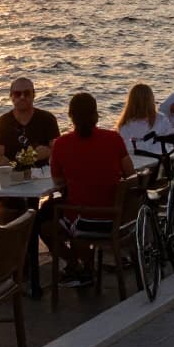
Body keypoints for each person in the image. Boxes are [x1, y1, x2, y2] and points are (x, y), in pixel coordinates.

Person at [43, 93, 135, 287]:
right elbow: (130, 173)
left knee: (42, 221)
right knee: (74, 207)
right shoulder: (114, 139)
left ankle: (75, 263)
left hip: (82, 221)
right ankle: (84, 265)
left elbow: (58, 182)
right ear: (96, 114)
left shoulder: (61, 144)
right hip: (114, 219)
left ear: (71, 116)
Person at [0, 77, 62, 226]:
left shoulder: (47, 119)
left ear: (34, 95)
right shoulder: (2, 123)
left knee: (37, 212)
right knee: (10, 211)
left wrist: (47, 152)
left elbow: (58, 149)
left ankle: (32, 233)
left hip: (40, 177)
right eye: (17, 94)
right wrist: (8, 164)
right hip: (12, 179)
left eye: (27, 93)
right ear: (11, 96)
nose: (22, 97)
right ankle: (12, 235)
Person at [116, 83, 174, 151]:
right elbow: (170, 143)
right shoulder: (161, 119)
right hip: (158, 155)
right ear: (151, 100)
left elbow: (123, 148)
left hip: (136, 157)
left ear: (131, 102)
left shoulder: (125, 124)